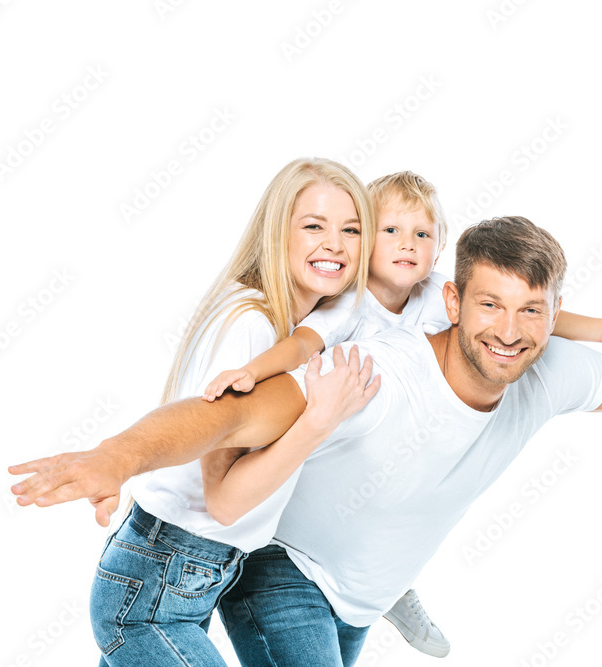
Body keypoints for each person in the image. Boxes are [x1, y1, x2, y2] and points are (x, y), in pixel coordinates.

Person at [10, 217, 602, 667]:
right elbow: (232, 414)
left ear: (556, 313)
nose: (511, 329)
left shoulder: (547, 370)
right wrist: (118, 456)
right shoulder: (380, 368)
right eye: (491, 303)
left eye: (534, 310)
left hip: (358, 602)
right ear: (454, 302)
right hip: (286, 572)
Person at [197, 170, 602, 657]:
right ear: (364, 244)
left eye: (421, 235)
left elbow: (531, 305)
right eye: (390, 232)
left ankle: (393, 585)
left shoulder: (437, 294)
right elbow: (300, 345)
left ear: (438, 247)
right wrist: (252, 371)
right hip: (327, 447)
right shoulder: (350, 307)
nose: (407, 246)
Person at [75, 156, 379, 665]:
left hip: (184, 577)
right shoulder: (251, 326)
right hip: (154, 590)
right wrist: (319, 420)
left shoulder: (301, 323)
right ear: (275, 233)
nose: (336, 244)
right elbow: (225, 501)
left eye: (351, 229)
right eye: (313, 226)